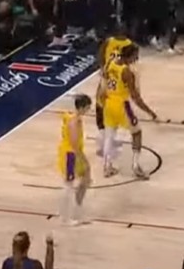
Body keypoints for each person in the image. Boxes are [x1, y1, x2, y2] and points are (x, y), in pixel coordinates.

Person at [101, 44, 157, 179]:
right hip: (122, 105)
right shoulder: (127, 72)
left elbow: (103, 79)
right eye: (135, 56)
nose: (136, 58)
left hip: (109, 103)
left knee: (109, 135)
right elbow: (135, 97)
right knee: (137, 133)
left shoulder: (110, 63)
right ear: (130, 56)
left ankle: (107, 167)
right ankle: (136, 167)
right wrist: (150, 112)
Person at [95, 29, 133, 157]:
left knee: (105, 109)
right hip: (112, 86)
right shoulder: (109, 42)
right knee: (102, 107)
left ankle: (106, 141)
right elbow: (101, 54)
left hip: (111, 80)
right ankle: (104, 139)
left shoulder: (126, 45)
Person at [59, 94, 94, 226]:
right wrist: (84, 159)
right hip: (70, 155)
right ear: (82, 107)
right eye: (88, 107)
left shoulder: (73, 117)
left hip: (73, 153)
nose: (89, 110)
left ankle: (77, 212)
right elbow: (74, 144)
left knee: (85, 180)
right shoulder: (74, 121)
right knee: (69, 185)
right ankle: (65, 217)